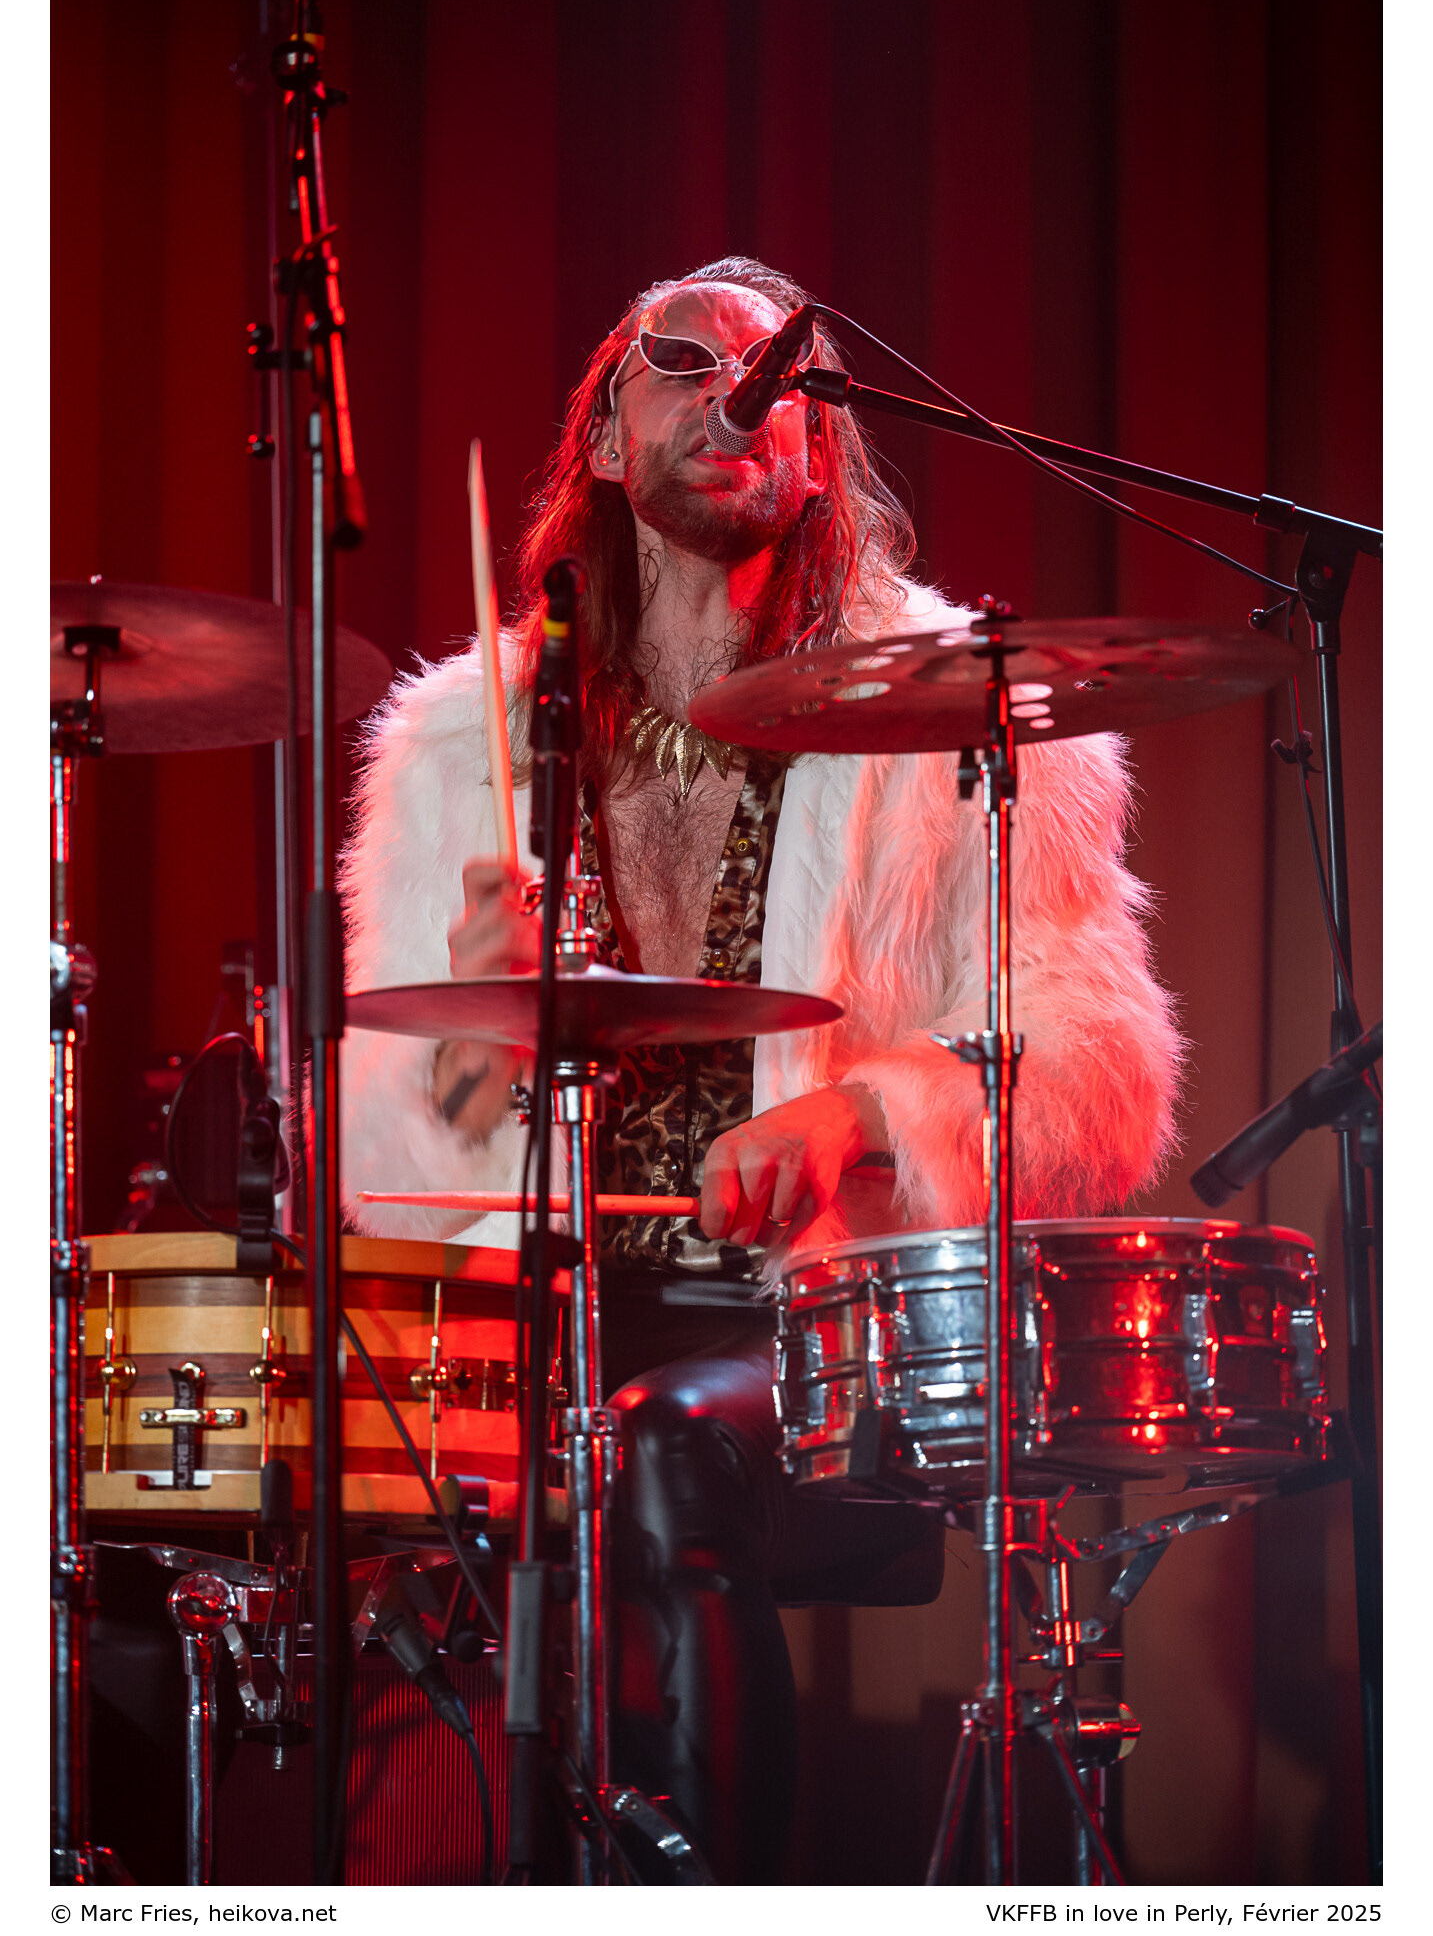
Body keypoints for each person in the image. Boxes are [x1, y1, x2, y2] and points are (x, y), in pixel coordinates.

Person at [339, 255, 1184, 1881]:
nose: (732, 392)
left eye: (777, 376)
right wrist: (476, 1026)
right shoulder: (466, 744)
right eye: (679, 361)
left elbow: (1102, 1066)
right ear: (602, 442)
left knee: (656, 1442)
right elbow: (388, 1162)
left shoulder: (954, 709)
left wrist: (864, 1110)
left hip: (823, 1329)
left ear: (816, 454)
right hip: (540, 1319)